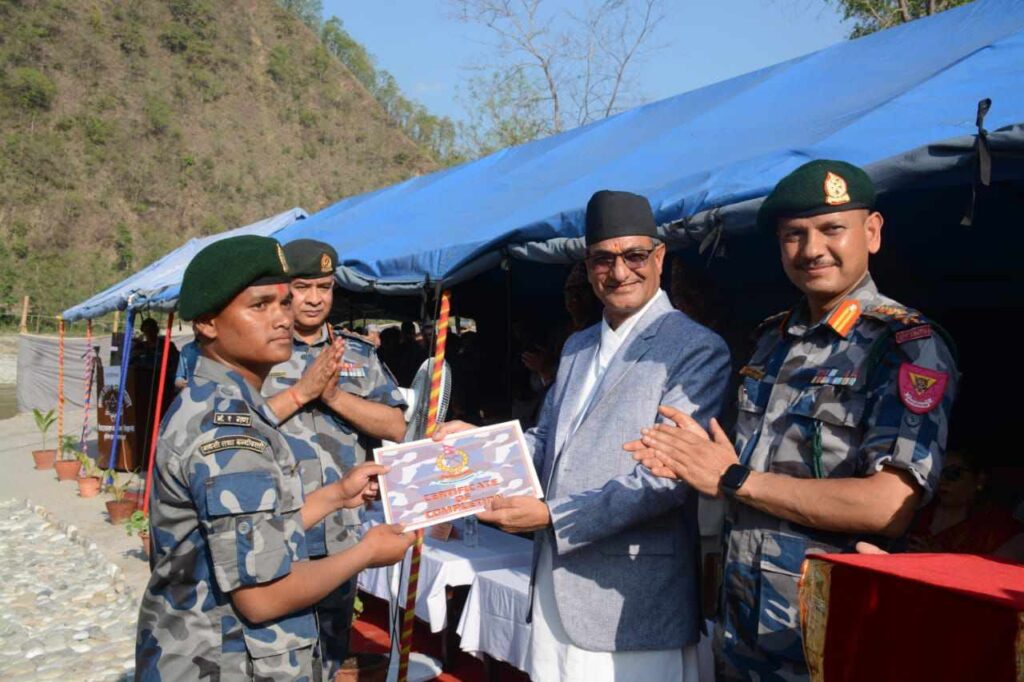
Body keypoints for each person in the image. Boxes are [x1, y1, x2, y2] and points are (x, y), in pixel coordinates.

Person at [628, 160, 958, 680]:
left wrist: (734, 478)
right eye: (793, 235)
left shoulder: (904, 347)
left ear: (872, 233)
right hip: (741, 628)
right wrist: (695, 459)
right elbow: (747, 470)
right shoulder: (772, 339)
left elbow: (888, 505)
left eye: (832, 229)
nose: (811, 250)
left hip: (825, 635)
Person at [436, 189, 731, 682]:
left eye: (635, 256)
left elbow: (668, 478)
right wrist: (480, 448)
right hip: (553, 588)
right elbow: (547, 441)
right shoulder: (578, 346)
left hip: (631, 599)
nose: (619, 272)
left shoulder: (695, 348)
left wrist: (552, 516)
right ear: (588, 266)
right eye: (603, 259)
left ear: (659, 258)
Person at [135, 235, 414, 680]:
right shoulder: (230, 431)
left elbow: (253, 534)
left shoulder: (225, 404)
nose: (283, 317)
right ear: (207, 323)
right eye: (260, 305)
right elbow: (262, 597)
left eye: (284, 302)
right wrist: (366, 552)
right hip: (225, 660)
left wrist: (335, 496)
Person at [262, 239, 408, 676]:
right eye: (302, 286)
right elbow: (233, 425)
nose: (314, 298)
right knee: (273, 650)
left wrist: (335, 397)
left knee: (330, 649)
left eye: (323, 287)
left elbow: (397, 426)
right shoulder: (261, 349)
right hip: (275, 522)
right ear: (284, 289)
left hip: (340, 528)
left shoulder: (358, 353)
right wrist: (302, 392)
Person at [905, 449, 1022, 555]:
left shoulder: (996, 528)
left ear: (979, 479)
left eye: (953, 473)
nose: (942, 480)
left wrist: (942, 558)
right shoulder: (915, 509)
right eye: (937, 472)